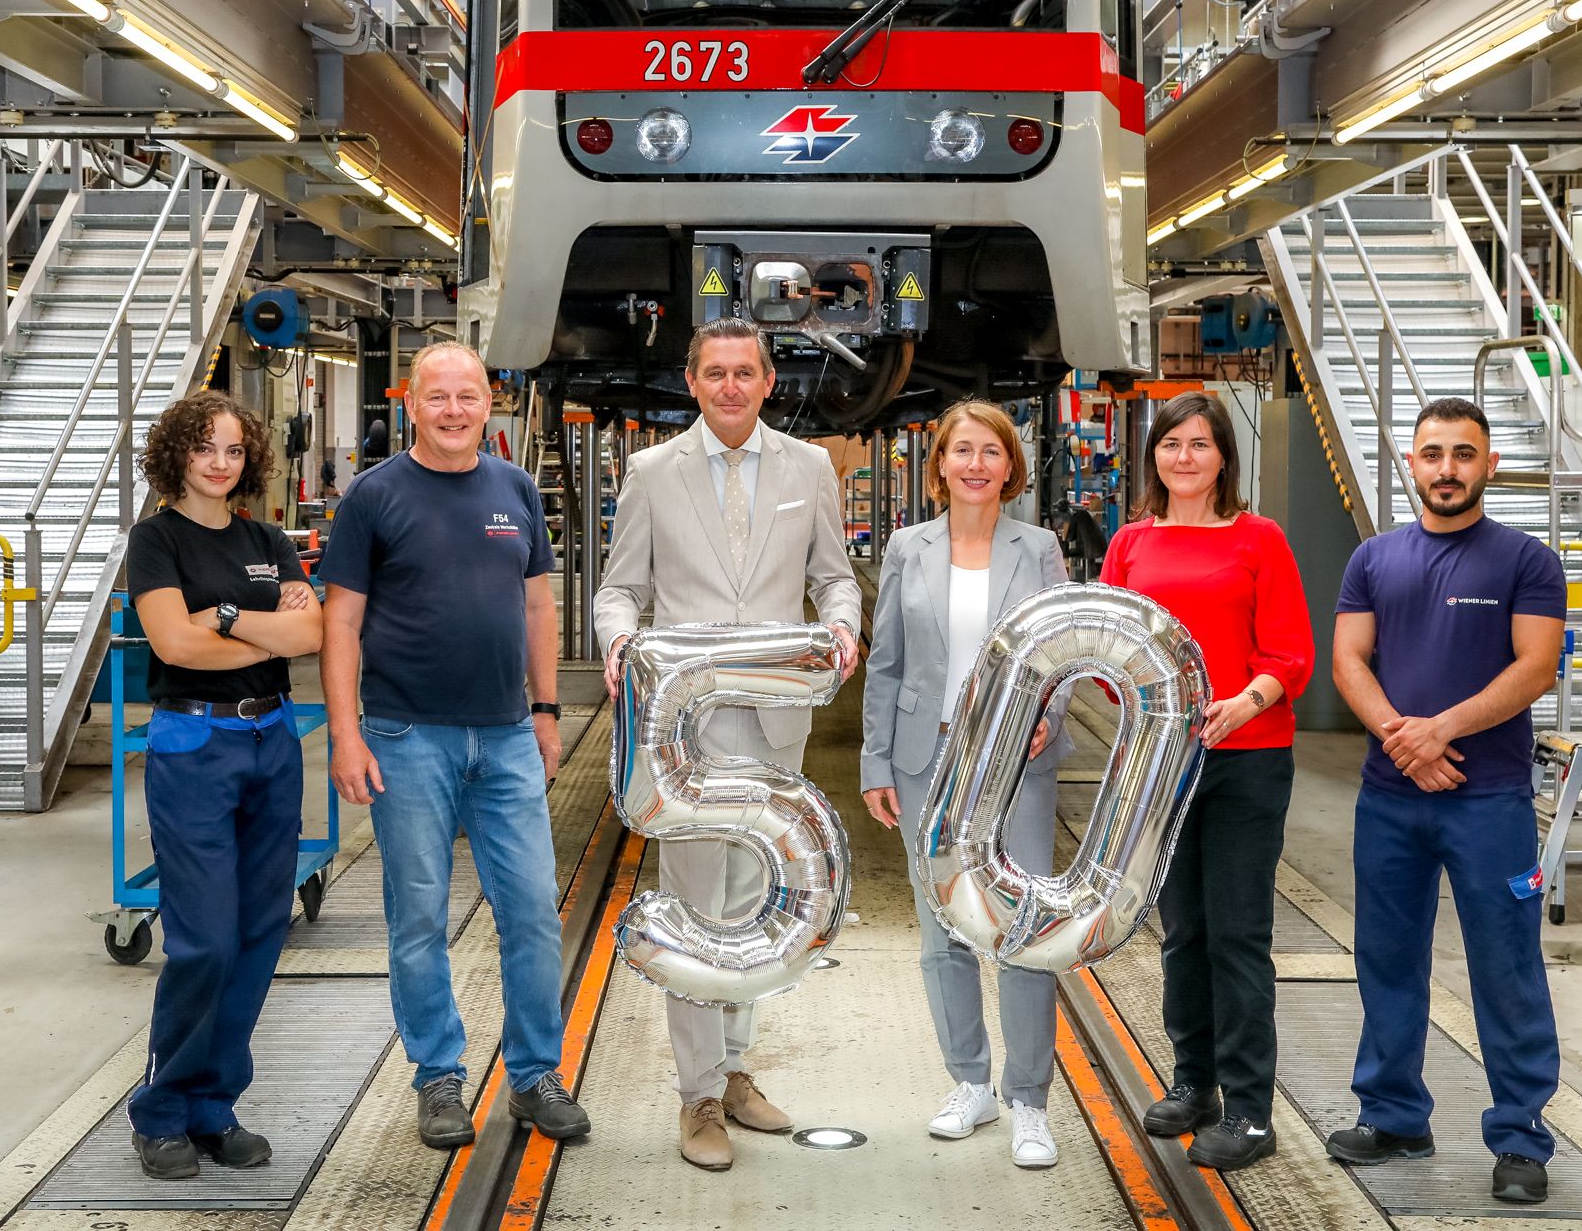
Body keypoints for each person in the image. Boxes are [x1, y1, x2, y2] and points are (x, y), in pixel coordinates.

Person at [593, 317, 861, 1172]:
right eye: (716, 373)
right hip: (688, 732)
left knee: (762, 908)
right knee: (696, 907)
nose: (731, 386)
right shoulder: (650, 472)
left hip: (777, 718)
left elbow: (831, 576)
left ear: (768, 381)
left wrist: (845, 626)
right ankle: (698, 1094)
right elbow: (620, 588)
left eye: (745, 372)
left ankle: (739, 1069)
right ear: (692, 381)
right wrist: (614, 645)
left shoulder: (809, 467)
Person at [319, 341, 591, 1151]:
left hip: (507, 734)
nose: (453, 410)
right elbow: (340, 621)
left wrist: (546, 710)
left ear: (489, 401)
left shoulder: (513, 488)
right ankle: (439, 1076)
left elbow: (539, 608)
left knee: (534, 910)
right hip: (406, 737)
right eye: (437, 397)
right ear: (411, 404)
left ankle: (534, 1073)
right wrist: (344, 734)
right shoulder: (372, 496)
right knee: (418, 917)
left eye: (467, 396)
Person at [1325, 397, 1566, 1207]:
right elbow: (1349, 659)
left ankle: (1520, 1137)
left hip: (1489, 798)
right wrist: (1404, 738)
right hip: (1390, 798)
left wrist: (1441, 732)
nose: (1447, 468)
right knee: (1387, 958)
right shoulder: (1373, 559)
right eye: (1433, 454)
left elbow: (1535, 667)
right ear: (1411, 464)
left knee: (1506, 965)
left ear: (1489, 464)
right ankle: (1394, 1115)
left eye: (1464, 454)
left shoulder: (1525, 560)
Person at [1100, 390, 1313, 1172]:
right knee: (1183, 932)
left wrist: (1244, 701)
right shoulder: (1130, 543)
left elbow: (1290, 652)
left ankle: (1252, 1110)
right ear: (1154, 455)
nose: (1184, 457)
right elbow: (1111, 644)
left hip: (1246, 758)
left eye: (1200, 443)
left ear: (1224, 455)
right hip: (1165, 763)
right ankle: (1196, 1083)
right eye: (1171, 444)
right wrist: (1138, 708)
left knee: (1238, 934)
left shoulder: (1260, 539)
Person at [860, 400, 1072, 1170]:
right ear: (941, 465)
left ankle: (1028, 1100)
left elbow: (1065, 645)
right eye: (962, 451)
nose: (976, 464)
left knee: (1020, 929)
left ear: (1009, 466)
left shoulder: (1039, 546)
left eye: (990, 451)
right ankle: (969, 1082)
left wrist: (1048, 711)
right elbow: (884, 664)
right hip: (928, 760)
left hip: (1014, 758)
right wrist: (874, 762)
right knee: (943, 928)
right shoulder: (907, 547)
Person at [124, 391, 325, 1180]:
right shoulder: (156, 540)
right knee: (203, 936)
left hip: (272, 736)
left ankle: (215, 1106)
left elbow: (309, 635)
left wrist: (227, 614)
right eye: (205, 447)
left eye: (234, 450)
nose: (219, 461)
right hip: (195, 738)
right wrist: (259, 613)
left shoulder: (267, 537)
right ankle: (163, 1108)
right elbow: (173, 641)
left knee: (256, 932)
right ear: (177, 453)